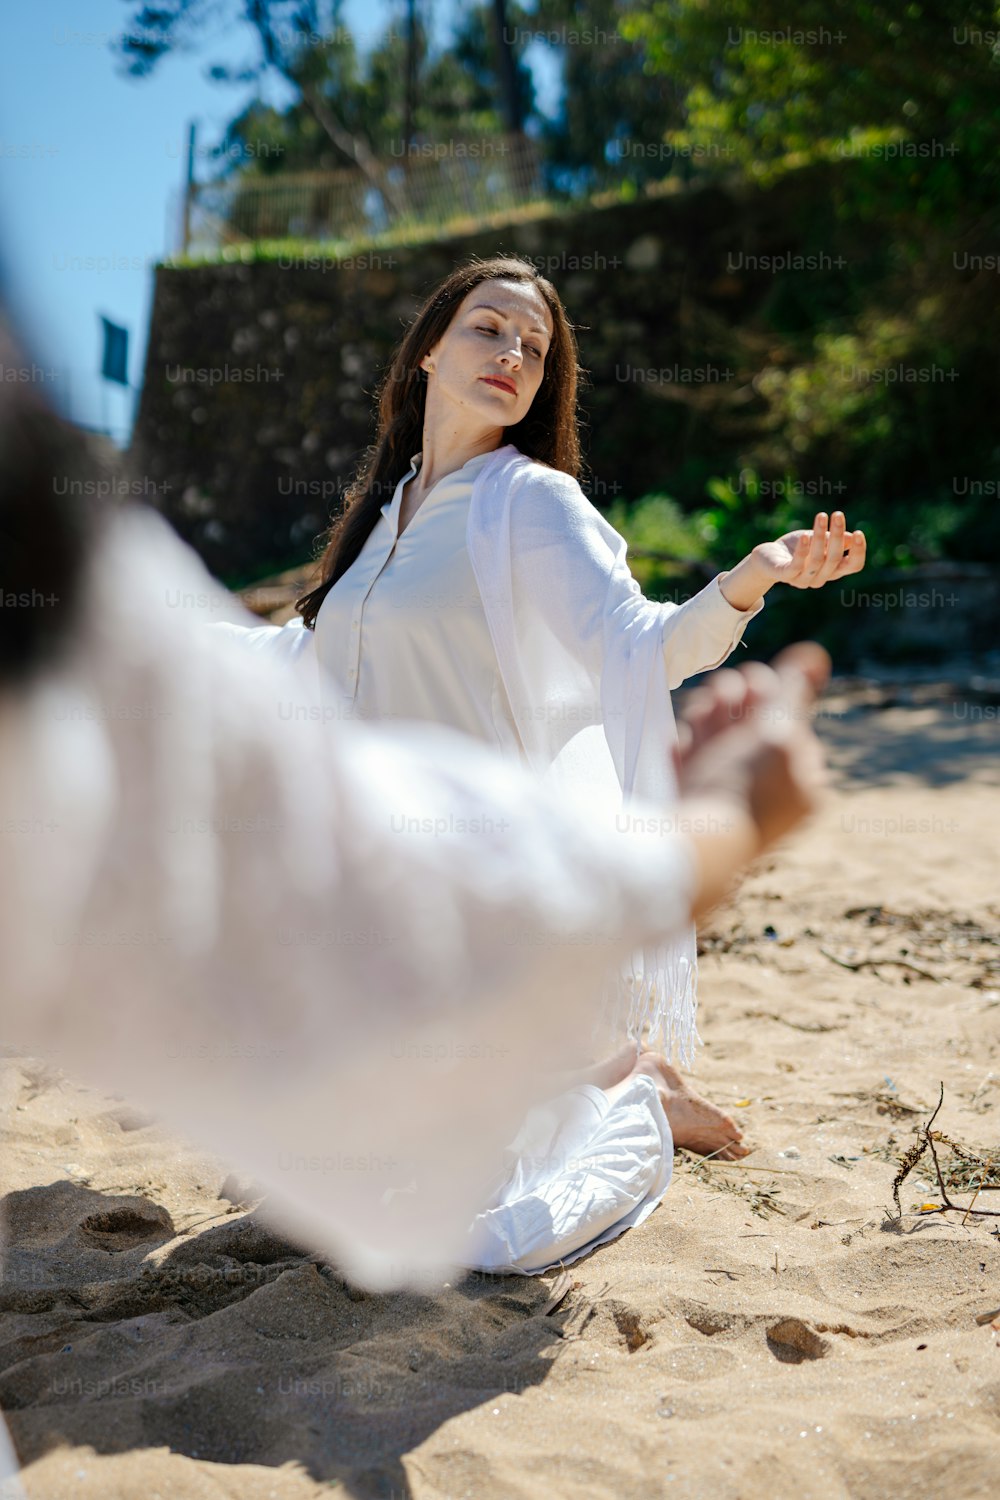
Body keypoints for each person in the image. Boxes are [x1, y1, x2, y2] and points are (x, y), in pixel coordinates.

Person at [214, 253, 865, 1271]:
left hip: (474, 886)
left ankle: (627, 1088)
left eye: (534, 345)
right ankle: (595, 1068)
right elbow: (303, 663)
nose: (512, 353)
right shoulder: (380, 520)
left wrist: (749, 581)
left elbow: (640, 647)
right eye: (487, 328)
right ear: (429, 347)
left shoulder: (528, 504)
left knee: (478, 1236)